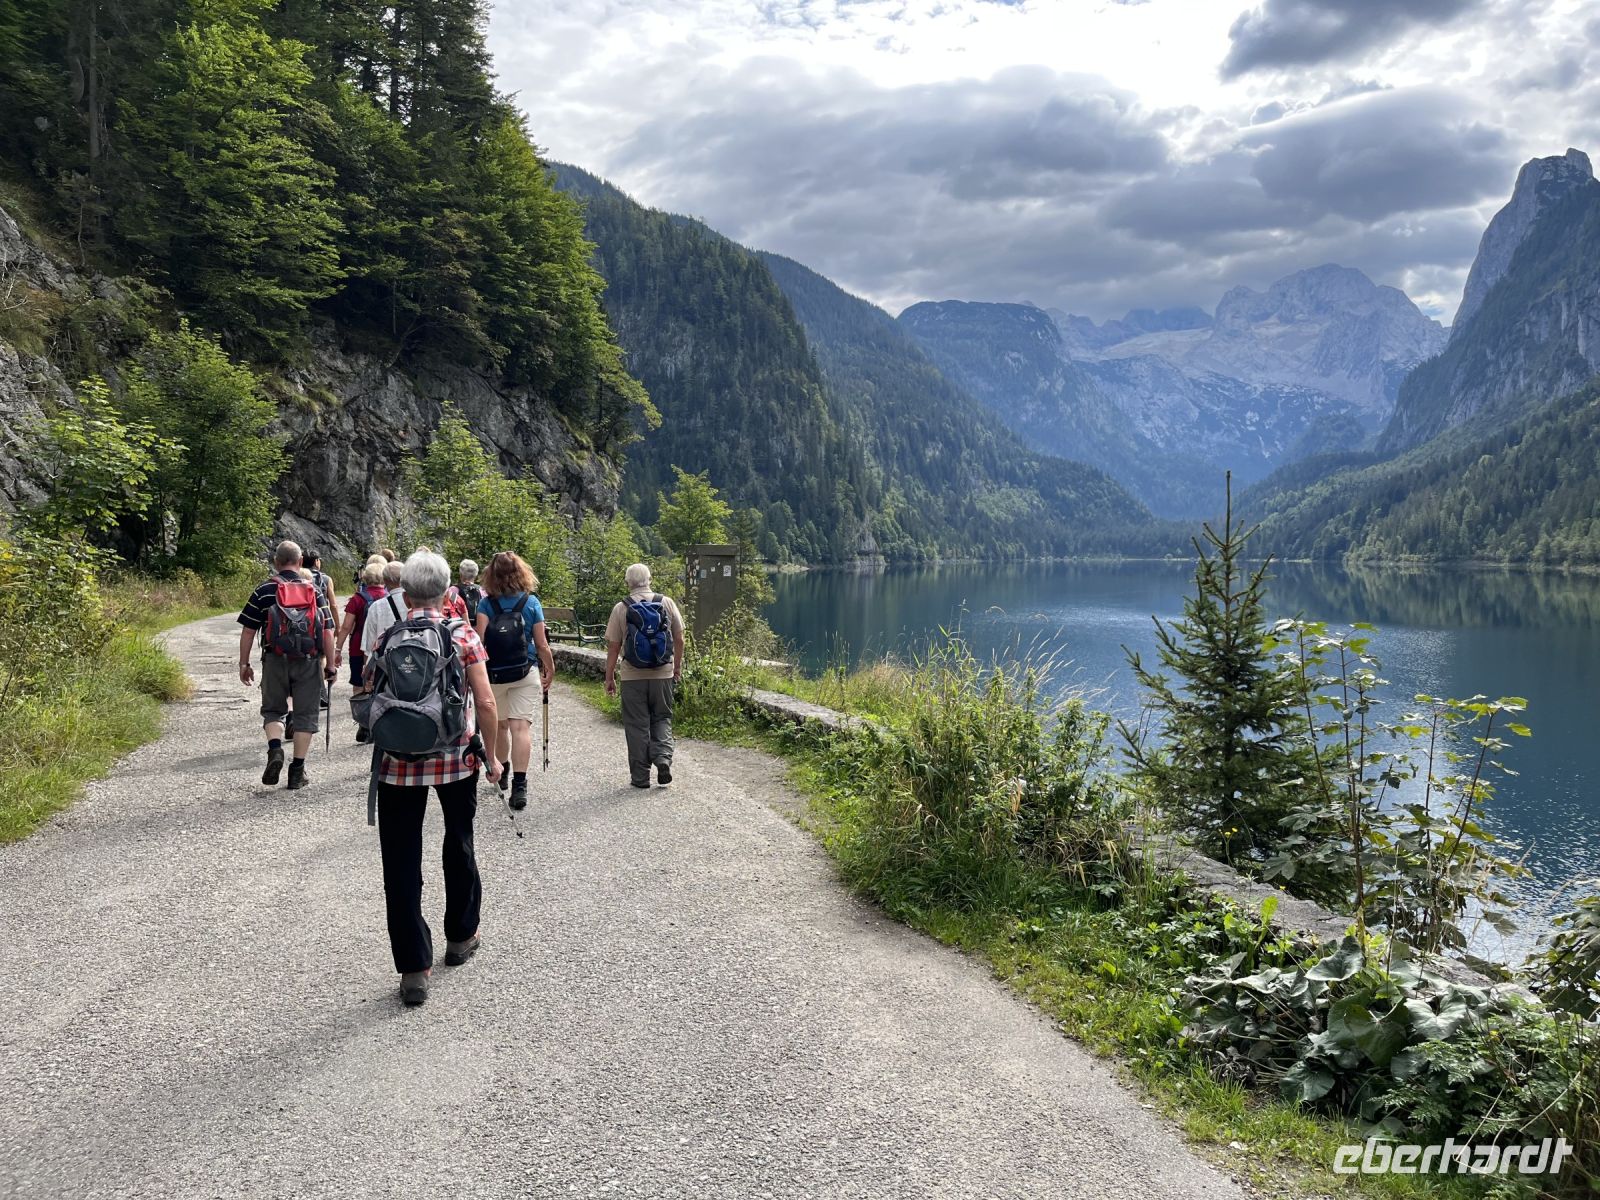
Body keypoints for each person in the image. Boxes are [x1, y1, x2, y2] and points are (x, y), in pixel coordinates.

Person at [370, 550, 501, 1007]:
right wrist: (493, 758)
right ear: (448, 593)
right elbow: (486, 702)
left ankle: (413, 970)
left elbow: (369, 695)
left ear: (405, 595)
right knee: (458, 841)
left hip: (397, 762)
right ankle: (461, 937)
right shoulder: (461, 634)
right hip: (455, 759)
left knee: (400, 862)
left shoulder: (387, 637)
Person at [237, 540, 337, 791]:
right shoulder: (314, 590)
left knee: (273, 710)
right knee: (305, 716)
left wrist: (244, 663)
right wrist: (331, 666)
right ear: (300, 561)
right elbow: (327, 630)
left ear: (276, 562)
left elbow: (248, 630)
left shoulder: (264, 590)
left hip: (274, 660)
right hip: (308, 661)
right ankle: (297, 772)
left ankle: (275, 749)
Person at [474, 551, 554, 812]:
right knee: (520, 728)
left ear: (491, 574)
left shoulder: (486, 604)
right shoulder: (531, 602)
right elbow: (541, 644)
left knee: (500, 727)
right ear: (521, 572)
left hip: (495, 673)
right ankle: (520, 786)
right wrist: (549, 668)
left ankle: (503, 770)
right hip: (524, 671)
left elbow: (479, 641)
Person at [604, 563, 685, 789]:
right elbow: (679, 639)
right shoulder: (666, 602)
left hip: (632, 676)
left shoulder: (621, 608)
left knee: (636, 725)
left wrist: (609, 677)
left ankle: (640, 778)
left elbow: (613, 647)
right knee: (662, 717)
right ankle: (663, 758)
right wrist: (676, 667)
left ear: (628, 582)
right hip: (663, 674)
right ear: (649, 579)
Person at [337, 562, 387, 739]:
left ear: (365, 578)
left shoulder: (357, 599)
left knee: (359, 684)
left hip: (358, 647)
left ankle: (363, 722)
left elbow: (346, 626)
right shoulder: (389, 597)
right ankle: (378, 723)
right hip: (382, 647)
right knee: (381, 684)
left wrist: (337, 649)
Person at [360, 559, 407, 661]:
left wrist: (366, 666)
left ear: (385, 581)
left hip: (383, 662)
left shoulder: (376, 607)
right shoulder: (414, 602)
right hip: (411, 660)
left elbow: (369, 646)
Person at [304, 549, 338, 616]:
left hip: (301, 617)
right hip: (321, 617)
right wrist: (337, 623)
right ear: (316, 561)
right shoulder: (326, 579)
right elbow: (333, 605)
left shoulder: (297, 577)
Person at [457, 559, 484, 623]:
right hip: (478, 625)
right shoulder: (482, 590)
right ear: (476, 574)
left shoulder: (453, 590)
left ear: (460, 574)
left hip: (459, 626)